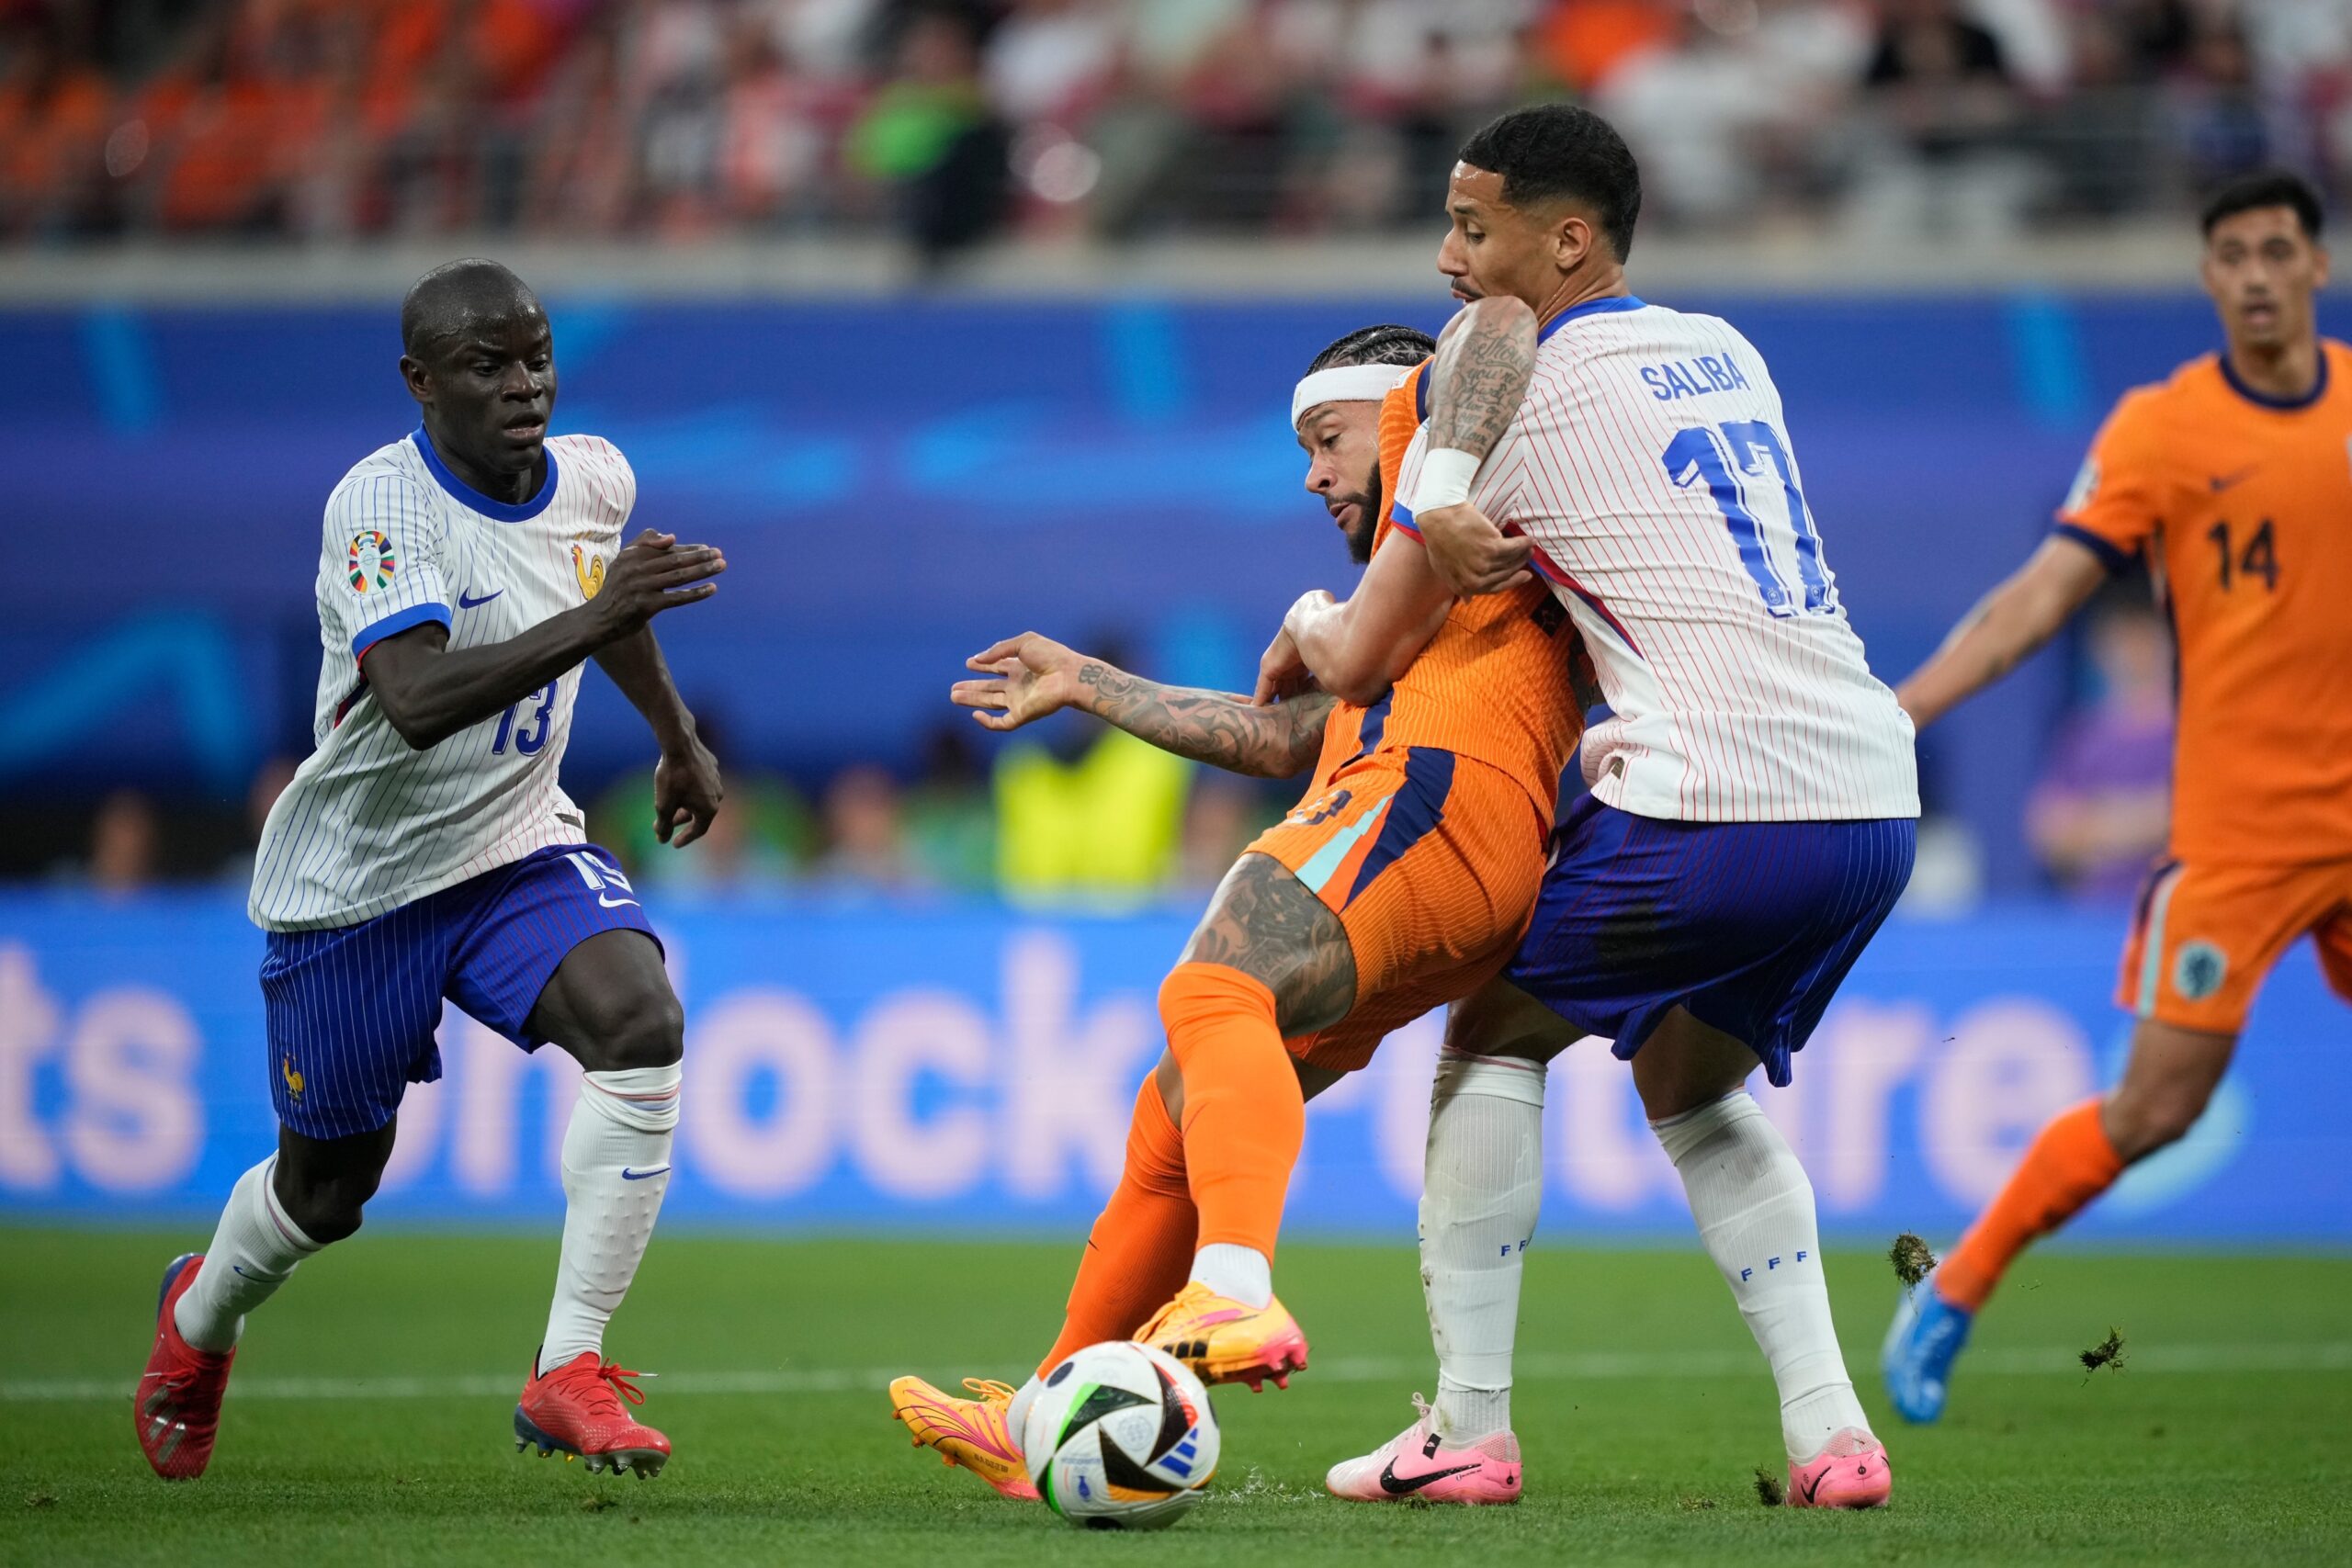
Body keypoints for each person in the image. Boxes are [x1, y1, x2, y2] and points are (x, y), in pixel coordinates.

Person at [1295, 103, 1918, 1509]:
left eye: (1473, 226)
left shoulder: (1495, 373)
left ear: (1565, 241)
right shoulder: (1724, 347)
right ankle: (1833, 1437)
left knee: (1488, 1039)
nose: (1447, 257)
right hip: (1872, 801)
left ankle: (1466, 1428)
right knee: (1686, 1082)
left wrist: (1310, 609)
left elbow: (1375, 649)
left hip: (1714, 797)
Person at [887, 311, 1586, 1504]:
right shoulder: (1406, 596)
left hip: (1431, 802)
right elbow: (1281, 734)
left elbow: (1495, 339)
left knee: (1213, 987)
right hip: (1455, 853)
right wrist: (1091, 682)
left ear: (1409, 417)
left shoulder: (1475, 516)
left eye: (1331, 439)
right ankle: (1046, 1401)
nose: (1313, 473)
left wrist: (1355, 582)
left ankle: (1234, 1282)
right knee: (1175, 1113)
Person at [133, 259, 726, 1483]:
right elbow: (412, 701)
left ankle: (570, 1367)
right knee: (329, 1190)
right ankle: (199, 1318)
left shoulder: (597, 479)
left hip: (513, 844)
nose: (525, 385)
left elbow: (600, 604)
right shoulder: (382, 508)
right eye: (487, 364)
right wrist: (601, 616)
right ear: (420, 381)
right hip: (357, 884)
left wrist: (676, 736)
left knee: (641, 1017)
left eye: (538, 355)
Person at [1882, 169, 2352, 1425]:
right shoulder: (2164, 430)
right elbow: (2042, 595)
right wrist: (1903, 714)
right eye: (2232, 255)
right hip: (2241, 838)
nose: (2255, 273)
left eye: (2276, 250)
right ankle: (1956, 1288)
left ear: (2317, 265)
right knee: (2155, 1107)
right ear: (2208, 280)